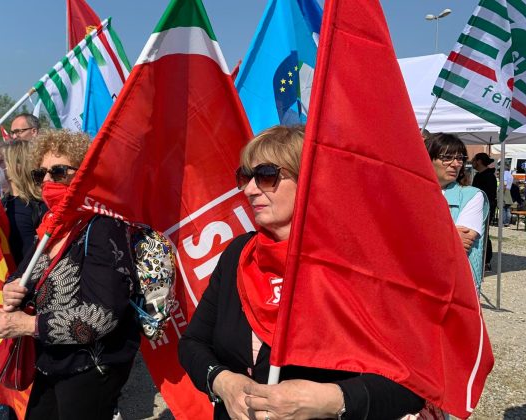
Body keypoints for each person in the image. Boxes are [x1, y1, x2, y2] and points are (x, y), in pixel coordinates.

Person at [178, 126, 425, 420]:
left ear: (310, 179)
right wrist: (223, 382)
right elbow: (193, 344)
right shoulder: (239, 254)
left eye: (266, 175)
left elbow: (415, 383)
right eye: (246, 177)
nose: (249, 189)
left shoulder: (358, 264)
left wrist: (329, 399)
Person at [0, 130, 140, 420]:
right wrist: (11, 289)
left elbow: (101, 315)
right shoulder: (50, 225)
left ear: (84, 173)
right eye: (39, 174)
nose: (47, 181)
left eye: (58, 172)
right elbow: (22, 275)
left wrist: (29, 325)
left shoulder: (105, 226)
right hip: (50, 359)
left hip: (89, 367)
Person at [425, 133, 489, 290]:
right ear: (427, 159)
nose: (455, 164)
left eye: (460, 158)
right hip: (420, 282)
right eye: (447, 157)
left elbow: (463, 241)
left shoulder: (472, 196)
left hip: (457, 285)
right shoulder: (409, 194)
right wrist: (447, 236)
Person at [0, 141, 47, 265]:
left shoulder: (40, 206)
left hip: (27, 280)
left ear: (18, 166)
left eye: (1, 161)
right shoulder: (2, 204)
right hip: (6, 278)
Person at [471, 152, 497, 270]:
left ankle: (486, 261)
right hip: (477, 208)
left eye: (474, 160)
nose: (472, 162)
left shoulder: (488, 176)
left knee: (484, 233)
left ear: (479, 161)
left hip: (485, 209)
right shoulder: (479, 175)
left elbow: (488, 196)